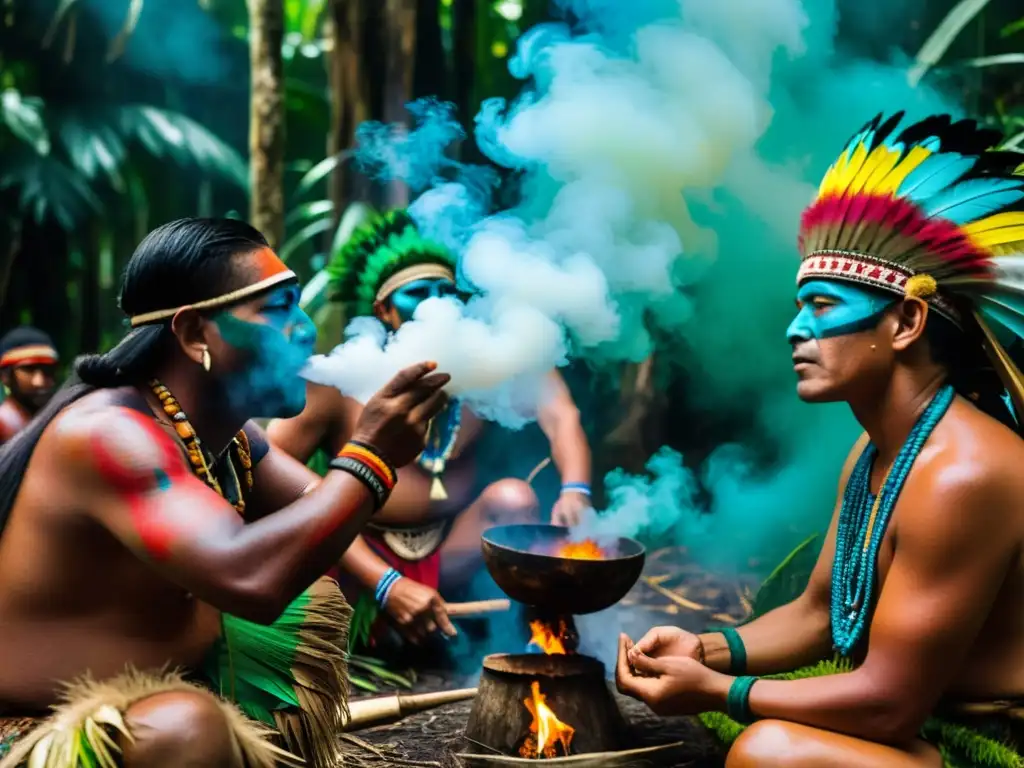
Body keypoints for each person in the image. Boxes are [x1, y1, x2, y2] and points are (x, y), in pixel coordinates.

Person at [614, 111, 1024, 767]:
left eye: (824, 306)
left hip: (991, 745)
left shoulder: (963, 473)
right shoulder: (877, 450)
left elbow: (890, 703)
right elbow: (815, 614)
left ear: (906, 322)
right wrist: (708, 649)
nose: (795, 330)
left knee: (767, 750)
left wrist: (721, 691)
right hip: (922, 721)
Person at [0, 218, 449, 768]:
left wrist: (374, 480)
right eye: (278, 308)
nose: (305, 329)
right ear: (194, 335)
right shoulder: (108, 435)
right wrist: (369, 457)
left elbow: (320, 512)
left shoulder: (230, 437)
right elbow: (251, 580)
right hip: (34, 730)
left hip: (165, 688)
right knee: (189, 730)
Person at [268, 210, 593, 646]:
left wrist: (576, 490)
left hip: (448, 553)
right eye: (418, 292)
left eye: (447, 292)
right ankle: (372, 631)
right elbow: (269, 475)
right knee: (322, 516)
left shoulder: (481, 370)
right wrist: (382, 581)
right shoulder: (337, 383)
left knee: (513, 499)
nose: (437, 304)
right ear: (383, 310)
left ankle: (522, 636)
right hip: (355, 566)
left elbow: (558, 410)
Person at [0, 327, 59, 444]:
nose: (39, 382)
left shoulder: (56, 421)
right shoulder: (3, 425)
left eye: (47, 370)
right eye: (29, 369)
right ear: (5, 376)